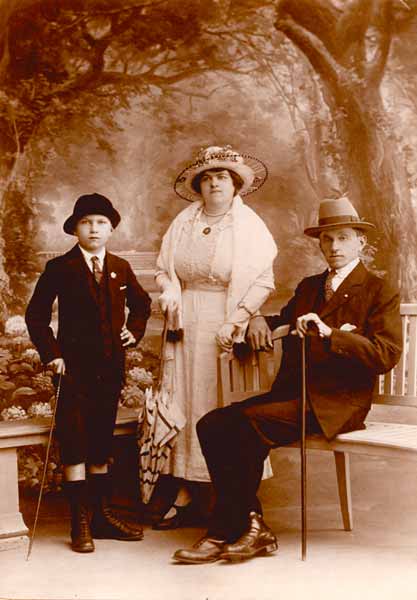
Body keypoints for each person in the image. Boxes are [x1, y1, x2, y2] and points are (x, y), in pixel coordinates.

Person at [172, 195, 403, 564]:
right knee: (212, 424)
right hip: (295, 395)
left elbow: (385, 355)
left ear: (361, 241)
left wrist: (331, 334)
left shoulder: (379, 290)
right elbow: (281, 321)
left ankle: (229, 529)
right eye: (327, 239)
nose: (334, 246)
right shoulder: (309, 287)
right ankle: (248, 526)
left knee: (247, 424)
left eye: (343, 238)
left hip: (338, 404)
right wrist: (257, 320)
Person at [152, 145, 278, 529]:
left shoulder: (248, 225)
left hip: (224, 322)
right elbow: (164, 270)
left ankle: (230, 498)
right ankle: (185, 492)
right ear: (198, 186)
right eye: (207, 179)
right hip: (183, 322)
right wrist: (169, 292)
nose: (214, 184)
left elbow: (262, 281)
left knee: (216, 404)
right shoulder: (184, 221)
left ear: (235, 183)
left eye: (222, 177)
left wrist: (238, 319)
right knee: (183, 399)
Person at [25, 193, 152, 553]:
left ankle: (101, 516)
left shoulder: (120, 267)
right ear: (75, 229)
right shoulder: (60, 268)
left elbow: (142, 304)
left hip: (109, 369)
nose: (93, 229)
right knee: (75, 440)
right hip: (73, 371)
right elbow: (36, 316)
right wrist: (53, 356)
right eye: (86, 222)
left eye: (100, 223)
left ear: (110, 229)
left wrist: (134, 331)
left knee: (100, 441)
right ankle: (79, 522)